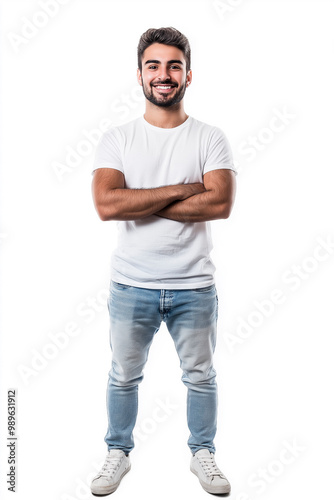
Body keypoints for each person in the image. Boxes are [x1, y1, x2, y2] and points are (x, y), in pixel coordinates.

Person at [90, 27, 237, 496]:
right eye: (153, 65)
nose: (163, 75)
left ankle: (203, 454)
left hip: (194, 285)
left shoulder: (211, 138)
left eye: (174, 65)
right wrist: (183, 187)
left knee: (201, 376)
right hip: (131, 284)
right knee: (123, 375)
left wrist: (139, 198)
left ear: (188, 75)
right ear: (139, 74)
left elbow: (220, 205)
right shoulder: (118, 139)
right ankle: (118, 452)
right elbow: (107, 205)